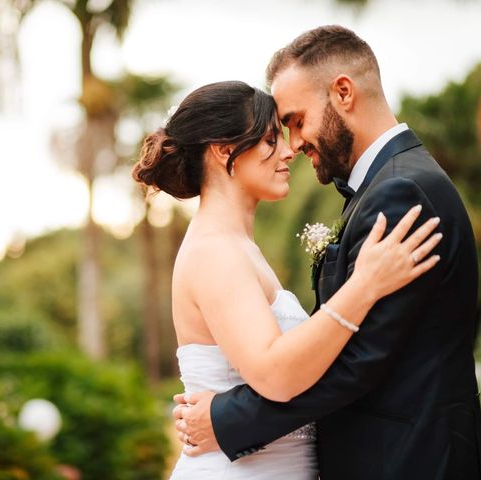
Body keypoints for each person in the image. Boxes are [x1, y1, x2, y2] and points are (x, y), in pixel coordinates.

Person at [172, 26, 481, 479]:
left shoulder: (401, 191)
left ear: (343, 93)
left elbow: (359, 359)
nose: (293, 145)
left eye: (295, 121)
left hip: (406, 460)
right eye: (279, 132)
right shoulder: (387, 186)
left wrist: (226, 419)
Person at [133, 79, 442, 479]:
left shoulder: (237, 246)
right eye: (268, 141)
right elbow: (274, 375)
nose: (288, 151)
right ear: (224, 150)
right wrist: (365, 285)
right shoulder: (215, 251)